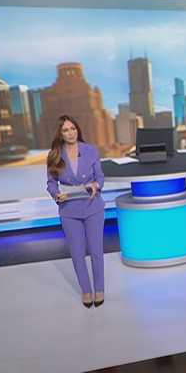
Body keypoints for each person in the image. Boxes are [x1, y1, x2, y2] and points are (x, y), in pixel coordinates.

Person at [45, 115, 106, 308]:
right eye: (65, 130)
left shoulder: (90, 150)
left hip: (92, 206)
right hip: (69, 210)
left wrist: (96, 185)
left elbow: (100, 176)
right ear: (60, 134)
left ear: (77, 130)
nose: (70, 133)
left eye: (73, 129)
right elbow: (51, 183)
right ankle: (86, 290)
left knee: (96, 251)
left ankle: (99, 288)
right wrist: (56, 194)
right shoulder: (54, 155)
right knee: (77, 253)